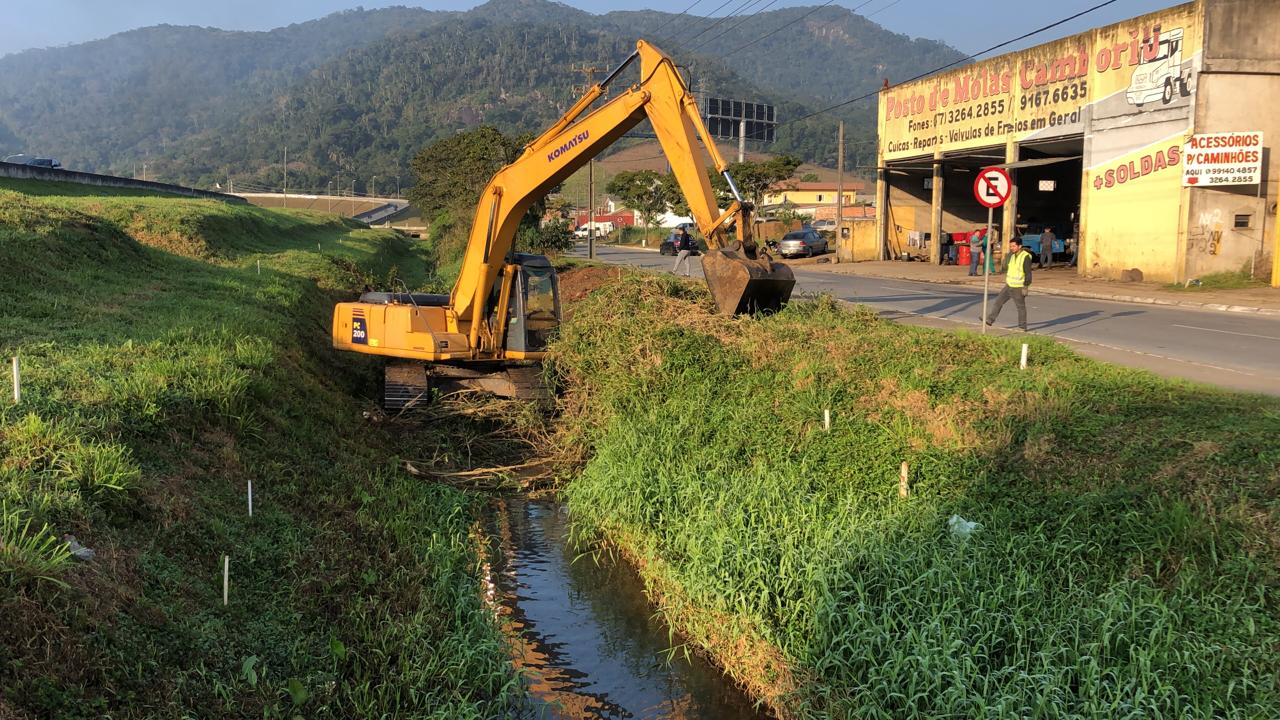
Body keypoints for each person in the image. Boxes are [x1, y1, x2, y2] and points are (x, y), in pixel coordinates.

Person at [985, 237, 1033, 331]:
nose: (1012, 248)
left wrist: (1026, 286)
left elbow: (1028, 273)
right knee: (998, 302)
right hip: (1009, 285)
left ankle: (1022, 327)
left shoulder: (1025, 256)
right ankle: (989, 320)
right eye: (1011, 246)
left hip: (1018, 286)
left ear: (1020, 246)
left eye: (1014, 246)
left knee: (1020, 307)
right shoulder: (1011, 255)